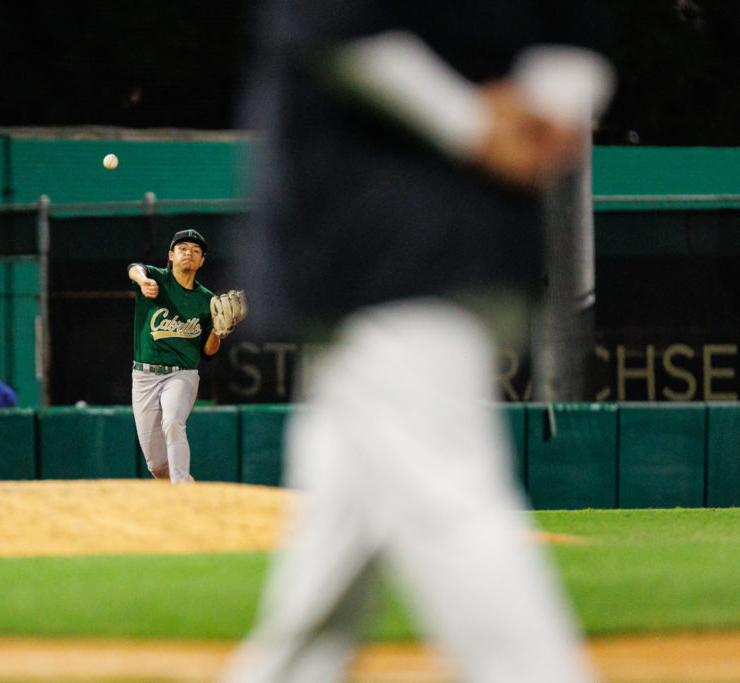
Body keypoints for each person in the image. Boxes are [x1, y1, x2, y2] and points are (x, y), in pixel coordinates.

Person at [221, 3, 615, 683]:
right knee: (342, 519)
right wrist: (549, 111)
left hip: (378, 245)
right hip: (492, 237)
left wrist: (474, 126)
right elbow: (579, 34)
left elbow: (335, 27)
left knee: (446, 497)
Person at [128, 229, 227, 483]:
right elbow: (134, 267)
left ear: (201, 261)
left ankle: (181, 488)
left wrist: (217, 331)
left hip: (182, 374)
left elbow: (209, 351)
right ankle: (185, 488)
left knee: (173, 422)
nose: (188, 253)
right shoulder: (156, 279)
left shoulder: (207, 300)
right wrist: (142, 280)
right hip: (144, 376)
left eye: (195, 251)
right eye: (182, 248)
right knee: (157, 465)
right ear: (171, 255)